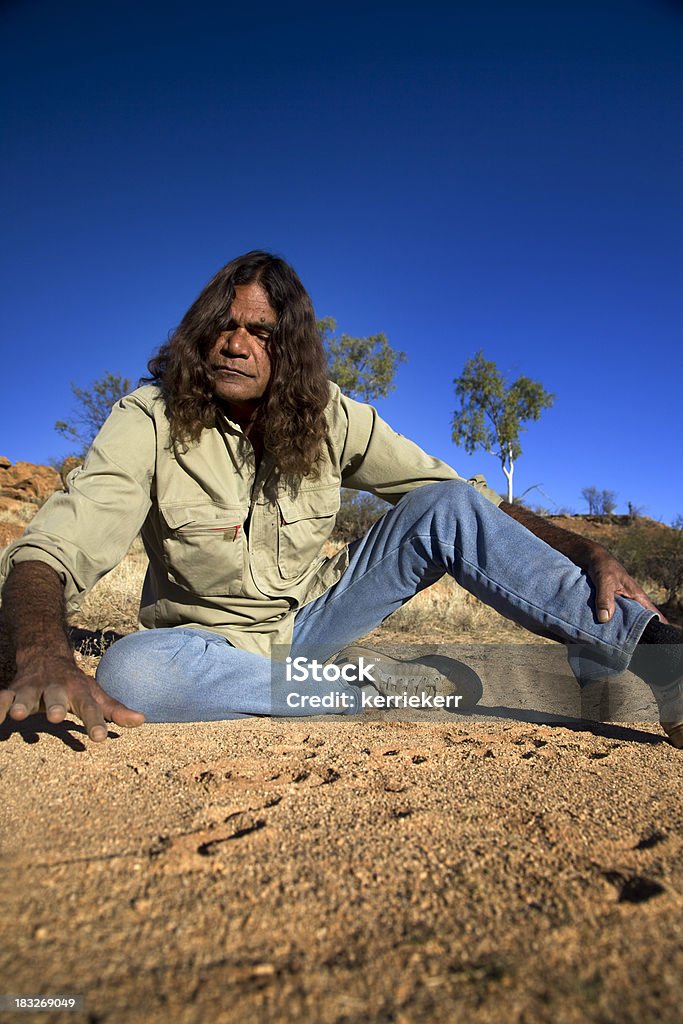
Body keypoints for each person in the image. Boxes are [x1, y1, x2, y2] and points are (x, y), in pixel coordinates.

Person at [0, 251, 681, 747]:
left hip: (309, 620)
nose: (237, 344)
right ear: (199, 334)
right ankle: (377, 692)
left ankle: (656, 654)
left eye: (262, 334)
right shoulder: (149, 417)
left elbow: (459, 496)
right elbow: (55, 544)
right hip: (205, 644)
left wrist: (584, 547)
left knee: (442, 503)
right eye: (225, 326)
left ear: (287, 350)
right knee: (133, 670)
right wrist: (40, 651)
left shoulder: (329, 418)